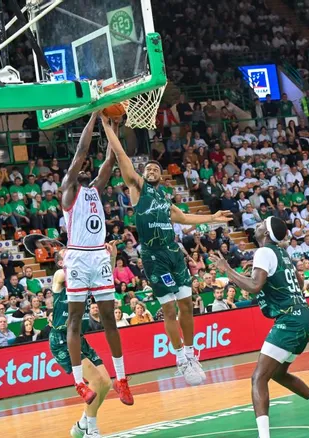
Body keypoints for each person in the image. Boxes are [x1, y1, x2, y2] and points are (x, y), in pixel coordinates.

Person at [101, 114, 232, 386]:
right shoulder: (137, 188)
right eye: (147, 169)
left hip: (173, 253)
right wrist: (107, 127)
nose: (150, 171)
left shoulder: (163, 197)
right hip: (152, 256)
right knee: (169, 308)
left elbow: (183, 219)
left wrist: (213, 218)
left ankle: (191, 353)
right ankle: (180, 357)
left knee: (187, 305)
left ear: (161, 176)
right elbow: (123, 155)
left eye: (154, 170)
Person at [209, 217, 309, 437]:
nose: (258, 224)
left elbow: (254, 286)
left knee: (258, 378)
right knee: (279, 373)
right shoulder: (282, 253)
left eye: (262, 223)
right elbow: (298, 282)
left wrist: (227, 270)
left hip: (290, 319)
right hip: (304, 315)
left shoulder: (264, 252)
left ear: (266, 233)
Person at [59, 112, 133, 406]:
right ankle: (79, 383)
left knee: (109, 320)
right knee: (75, 321)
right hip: (77, 257)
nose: (82, 168)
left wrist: (112, 127)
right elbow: (81, 153)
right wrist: (93, 116)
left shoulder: (94, 190)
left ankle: (123, 380)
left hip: (99, 256)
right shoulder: (68, 191)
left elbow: (109, 162)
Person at [50, 248, 112, 438]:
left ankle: (82, 423)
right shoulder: (60, 277)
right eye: (66, 254)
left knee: (106, 383)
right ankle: (90, 430)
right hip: (62, 339)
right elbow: (63, 273)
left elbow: (104, 272)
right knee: (95, 381)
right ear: (61, 262)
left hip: (79, 337)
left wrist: (109, 256)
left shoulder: (85, 278)